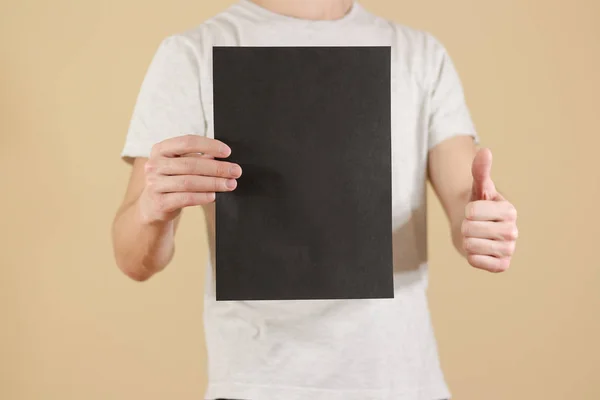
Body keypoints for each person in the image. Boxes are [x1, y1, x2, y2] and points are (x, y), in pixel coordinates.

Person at [112, 0, 519, 399]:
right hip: (259, 383)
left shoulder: (420, 54)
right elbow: (133, 259)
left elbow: (465, 196)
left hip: (403, 381)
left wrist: (484, 224)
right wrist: (153, 209)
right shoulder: (193, 52)